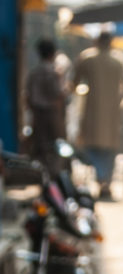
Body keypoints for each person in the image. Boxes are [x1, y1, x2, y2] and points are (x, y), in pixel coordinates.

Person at [73, 29, 123, 200]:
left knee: (93, 146)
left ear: (97, 41)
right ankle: (105, 181)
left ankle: (101, 179)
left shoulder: (87, 58)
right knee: (109, 147)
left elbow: (74, 82)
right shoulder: (119, 59)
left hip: (92, 111)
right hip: (112, 113)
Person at [25, 38, 67, 174]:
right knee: (56, 146)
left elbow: (28, 96)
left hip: (37, 114)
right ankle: (54, 175)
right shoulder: (53, 72)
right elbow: (58, 94)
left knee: (40, 146)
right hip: (51, 114)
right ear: (52, 53)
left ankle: (42, 175)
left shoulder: (33, 72)